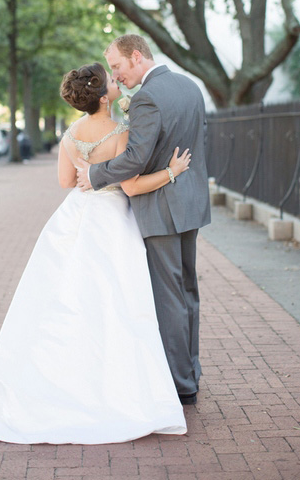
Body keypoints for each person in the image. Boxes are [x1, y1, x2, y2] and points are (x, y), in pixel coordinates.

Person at [0, 62, 191, 445]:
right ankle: (116, 388)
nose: (116, 80)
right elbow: (133, 187)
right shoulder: (121, 131)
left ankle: (60, 381)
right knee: (118, 303)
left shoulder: (71, 134)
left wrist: (86, 172)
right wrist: (172, 171)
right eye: (110, 81)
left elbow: (63, 181)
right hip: (112, 221)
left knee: (65, 299)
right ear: (103, 97)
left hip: (75, 216)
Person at [77, 35, 211, 406]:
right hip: (190, 202)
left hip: (162, 206)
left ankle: (180, 384)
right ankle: (191, 369)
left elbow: (135, 159)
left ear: (137, 57)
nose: (115, 77)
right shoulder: (189, 85)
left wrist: (94, 174)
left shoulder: (148, 98)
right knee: (187, 292)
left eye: (117, 67)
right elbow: (198, 140)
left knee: (169, 297)